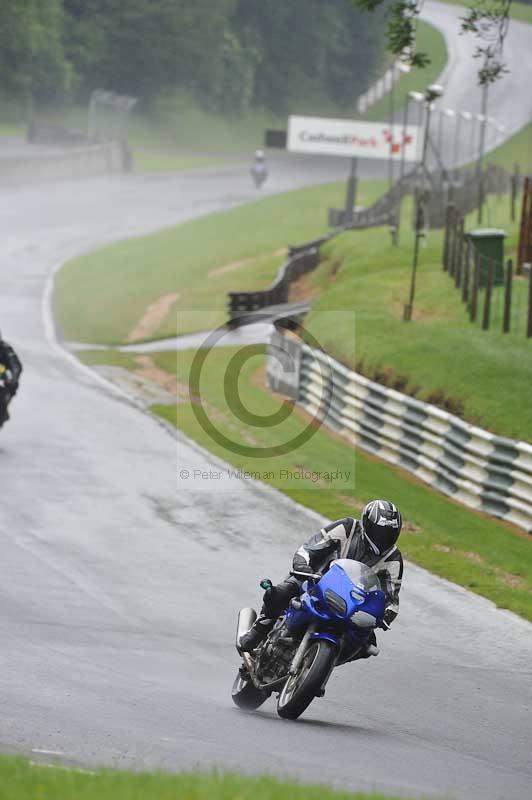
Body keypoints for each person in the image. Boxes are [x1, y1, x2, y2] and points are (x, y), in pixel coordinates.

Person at [239, 500, 403, 658]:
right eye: (380, 532)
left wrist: (386, 615)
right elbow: (309, 548)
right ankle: (259, 629)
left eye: (389, 534)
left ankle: (324, 665)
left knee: (367, 643)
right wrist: (303, 565)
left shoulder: (393, 558)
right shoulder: (347, 527)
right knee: (280, 593)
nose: (383, 538)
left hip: (353, 604)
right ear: (367, 524)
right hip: (314, 582)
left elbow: (391, 598)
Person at [0, 333, 22, 425]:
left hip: (2, 381)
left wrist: (13, 378)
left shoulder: (5, 348)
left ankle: (3, 413)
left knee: (12, 387)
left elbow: (16, 365)